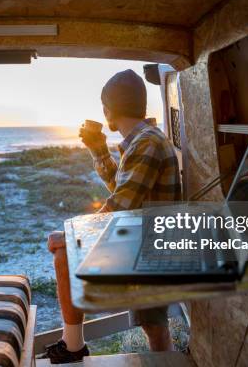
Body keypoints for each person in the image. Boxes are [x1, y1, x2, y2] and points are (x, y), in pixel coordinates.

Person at [41, 69, 182, 363]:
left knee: (64, 253)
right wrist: (99, 151)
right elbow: (126, 189)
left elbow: (120, 206)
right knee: (153, 326)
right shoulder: (145, 139)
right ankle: (165, 358)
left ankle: (74, 345)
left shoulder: (145, 143)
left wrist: (70, 235)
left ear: (108, 110)